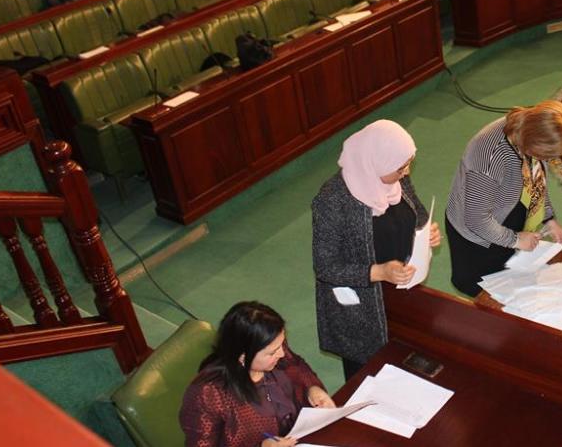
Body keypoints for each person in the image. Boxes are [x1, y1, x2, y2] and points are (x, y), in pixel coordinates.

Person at [312, 120, 440, 381]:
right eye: (400, 167)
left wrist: (427, 232)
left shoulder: (396, 180)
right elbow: (326, 266)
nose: (405, 173)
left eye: (407, 165)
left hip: (400, 289)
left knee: (404, 364)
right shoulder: (332, 200)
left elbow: (418, 214)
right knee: (368, 377)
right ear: (375, 162)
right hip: (361, 306)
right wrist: (378, 272)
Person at [446, 100, 562, 297]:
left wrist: (548, 219)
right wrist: (515, 240)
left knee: (512, 284)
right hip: (477, 236)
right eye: (549, 155)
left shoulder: (527, 129)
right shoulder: (490, 158)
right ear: (535, 144)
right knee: (488, 295)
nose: (551, 160)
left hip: (507, 210)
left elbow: (536, 178)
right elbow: (476, 219)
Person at [179, 301, 335, 447]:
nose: (282, 353)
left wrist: (313, 388)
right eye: (273, 352)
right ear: (243, 356)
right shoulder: (208, 395)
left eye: (282, 344)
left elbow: (298, 366)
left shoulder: (272, 346)